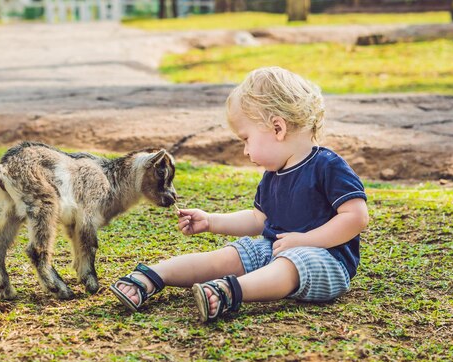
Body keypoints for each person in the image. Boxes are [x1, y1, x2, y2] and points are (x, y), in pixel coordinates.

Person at [109, 66, 370, 323]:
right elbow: (259, 220)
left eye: (246, 138)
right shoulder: (273, 175)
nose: (245, 151)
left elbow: (356, 217)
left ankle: (231, 291)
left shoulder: (328, 165)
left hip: (325, 259)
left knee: (292, 261)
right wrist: (211, 221)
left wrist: (305, 241)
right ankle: (154, 276)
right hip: (276, 249)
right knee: (233, 254)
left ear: (277, 128)